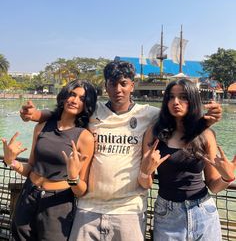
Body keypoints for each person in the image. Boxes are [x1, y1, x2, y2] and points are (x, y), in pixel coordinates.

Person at [20, 61, 222, 241]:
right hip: (88, 206)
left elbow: (179, 115)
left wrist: (205, 119)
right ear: (106, 86)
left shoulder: (148, 114)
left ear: (132, 86)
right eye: (112, 83)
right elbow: (63, 113)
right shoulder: (93, 111)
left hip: (129, 209)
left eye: (124, 83)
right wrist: (36, 114)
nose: (118, 89)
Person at [139, 78, 235, 241]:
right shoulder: (155, 133)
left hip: (203, 212)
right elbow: (146, 184)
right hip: (167, 214)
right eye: (171, 97)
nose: (176, 102)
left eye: (183, 97)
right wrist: (145, 172)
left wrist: (227, 177)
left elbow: (214, 186)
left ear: (193, 100)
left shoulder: (205, 134)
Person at [2, 79, 97, 241]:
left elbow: (81, 190)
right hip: (29, 195)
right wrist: (11, 161)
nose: (74, 100)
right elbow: (31, 167)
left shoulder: (85, 137)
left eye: (82, 99)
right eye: (72, 95)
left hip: (57, 203)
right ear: (65, 96)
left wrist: (73, 178)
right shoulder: (42, 126)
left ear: (87, 105)